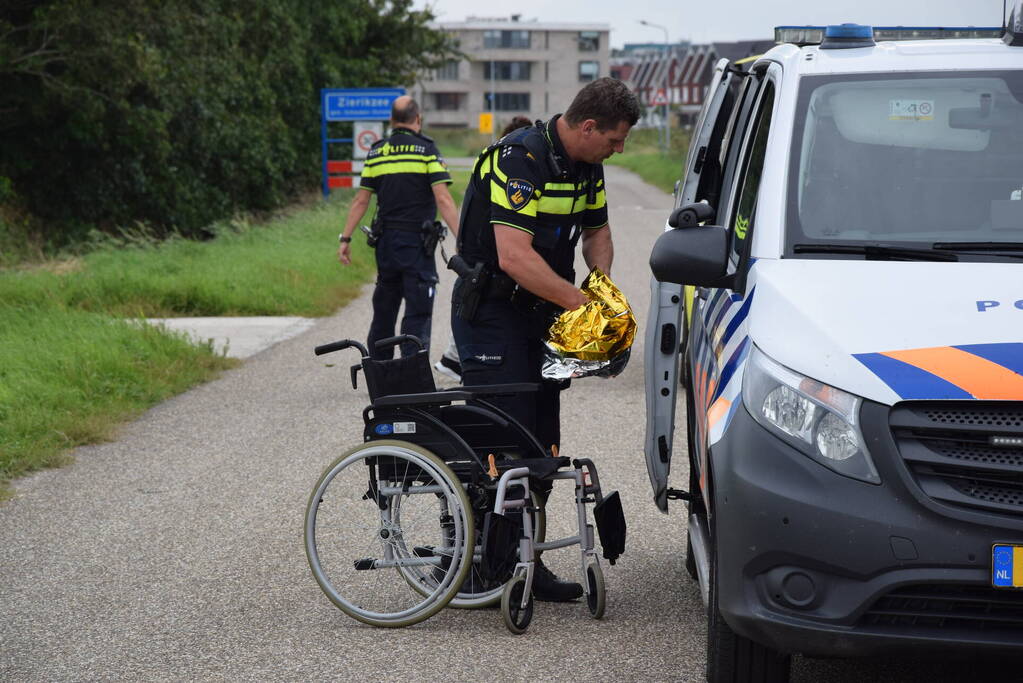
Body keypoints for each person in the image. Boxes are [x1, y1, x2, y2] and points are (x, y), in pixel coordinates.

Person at [449, 77, 640, 600]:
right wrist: (579, 303)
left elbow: (598, 233)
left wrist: (601, 288)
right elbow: (514, 257)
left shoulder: (587, 167)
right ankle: (483, 564)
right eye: (615, 140)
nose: (618, 150)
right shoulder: (519, 159)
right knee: (500, 445)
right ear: (587, 126)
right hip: (491, 313)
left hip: (540, 314)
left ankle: (526, 562)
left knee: (540, 443)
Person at [338, 96, 460, 359]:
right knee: (417, 312)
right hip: (416, 243)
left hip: (386, 245)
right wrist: (463, 238)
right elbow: (443, 198)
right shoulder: (427, 149)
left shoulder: (376, 151)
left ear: (392, 121)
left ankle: (381, 376)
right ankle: (411, 378)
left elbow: (361, 200)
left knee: (384, 311)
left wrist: (345, 238)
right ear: (418, 119)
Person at [433, 115, 534, 382]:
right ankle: (453, 361)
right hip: (486, 263)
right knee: (476, 303)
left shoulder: (490, 162)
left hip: (477, 258)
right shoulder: (510, 165)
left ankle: (452, 360)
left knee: (472, 306)